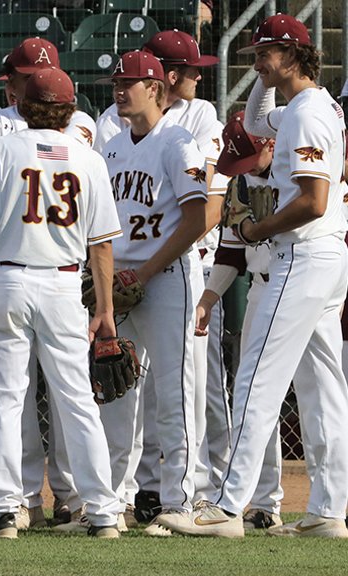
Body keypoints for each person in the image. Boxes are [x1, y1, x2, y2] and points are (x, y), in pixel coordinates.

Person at [165, 14, 348, 538]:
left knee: (255, 382)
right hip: (324, 258)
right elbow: (254, 122)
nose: (256, 61)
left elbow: (312, 202)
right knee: (322, 391)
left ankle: (225, 508)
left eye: (266, 53)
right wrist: (265, 85)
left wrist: (255, 229)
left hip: (302, 253)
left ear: (294, 55)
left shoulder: (307, 113)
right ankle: (329, 512)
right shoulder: (310, 107)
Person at [0, 66, 126, 540]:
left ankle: (5, 511)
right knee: (77, 400)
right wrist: (106, 309)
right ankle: (104, 513)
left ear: (24, 104)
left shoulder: (3, 149)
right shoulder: (89, 158)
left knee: (6, 399)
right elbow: (102, 245)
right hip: (65, 286)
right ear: (69, 109)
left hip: (10, 278)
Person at [96, 31, 228, 522]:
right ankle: (116, 500)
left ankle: (180, 500)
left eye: (129, 82)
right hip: (125, 285)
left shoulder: (179, 141)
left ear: (155, 87)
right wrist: (109, 285)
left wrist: (144, 272)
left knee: (175, 393)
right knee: (118, 393)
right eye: (116, 82)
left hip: (170, 277)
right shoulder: (111, 149)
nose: (119, 89)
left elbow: (198, 219)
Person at [192, 111, 285, 530]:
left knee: (319, 396)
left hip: (305, 284)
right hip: (263, 288)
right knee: (254, 396)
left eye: (247, 157)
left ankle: (328, 505)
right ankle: (264, 502)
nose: (242, 169)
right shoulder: (242, 182)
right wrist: (209, 299)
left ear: (269, 143)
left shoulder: (303, 175)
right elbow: (230, 251)